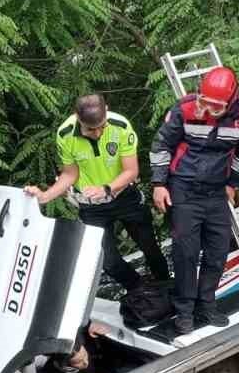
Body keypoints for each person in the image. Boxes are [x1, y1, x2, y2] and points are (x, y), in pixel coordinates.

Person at [150, 65, 239, 337]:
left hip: (216, 191)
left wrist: (233, 184)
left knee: (218, 251)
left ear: (231, 100)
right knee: (185, 252)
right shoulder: (184, 109)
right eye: (204, 102)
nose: (208, 109)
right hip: (183, 188)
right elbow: (161, 145)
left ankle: (207, 304)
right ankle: (184, 310)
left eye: (215, 105)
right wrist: (159, 184)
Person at [24, 93, 169, 292]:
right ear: (77, 117)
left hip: (124, 196)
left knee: (150, 247)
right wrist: (45, 196)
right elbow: (69, 174)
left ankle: (166, 284)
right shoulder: (65, 133)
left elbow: (131, 171)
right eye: (91, 129)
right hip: (92, 208)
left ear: (106, 110)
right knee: (108, 262)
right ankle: (140, 291)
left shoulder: (121, 126)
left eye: (102, 126)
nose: (98, 133)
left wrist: (106, 189)